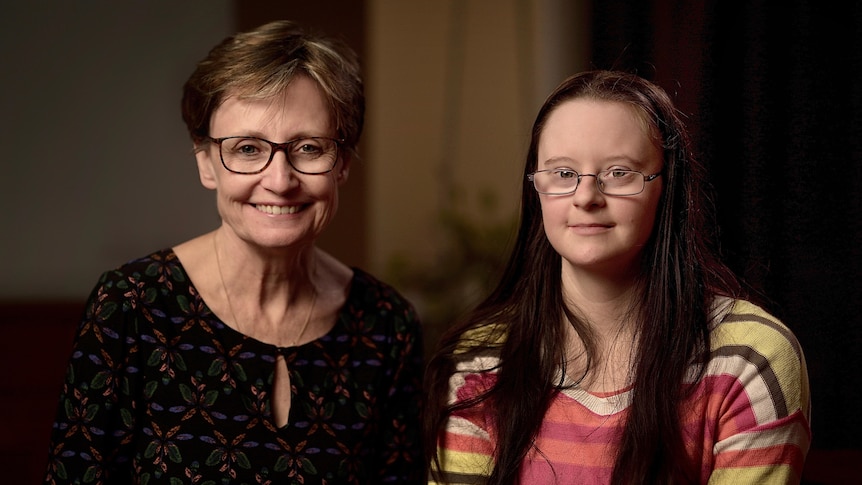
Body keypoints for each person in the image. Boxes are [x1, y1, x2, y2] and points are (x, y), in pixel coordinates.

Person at [43, 20, 424, 484]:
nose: (280, 180)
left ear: (341, 162)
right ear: (206, 162)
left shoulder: (387, 325)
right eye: (247, 148)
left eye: (308, 147)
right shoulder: (131, 307)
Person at [425, 70, 811, 484]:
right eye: (562, 173)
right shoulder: (481, 361)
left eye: (619, 172)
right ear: (535, 190)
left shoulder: (748, 360)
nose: (586, 196)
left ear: (666, 187)